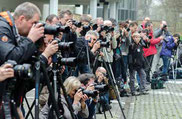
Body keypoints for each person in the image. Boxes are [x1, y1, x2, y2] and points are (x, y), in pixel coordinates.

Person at [0, 2, 44, 118]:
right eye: (33, 23)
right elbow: (11, 58)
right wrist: (30, 40)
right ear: (22, 19)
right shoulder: (2, 27)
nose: (35, 27)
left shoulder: (16, 33)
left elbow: (27, 67)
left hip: (10, 95)